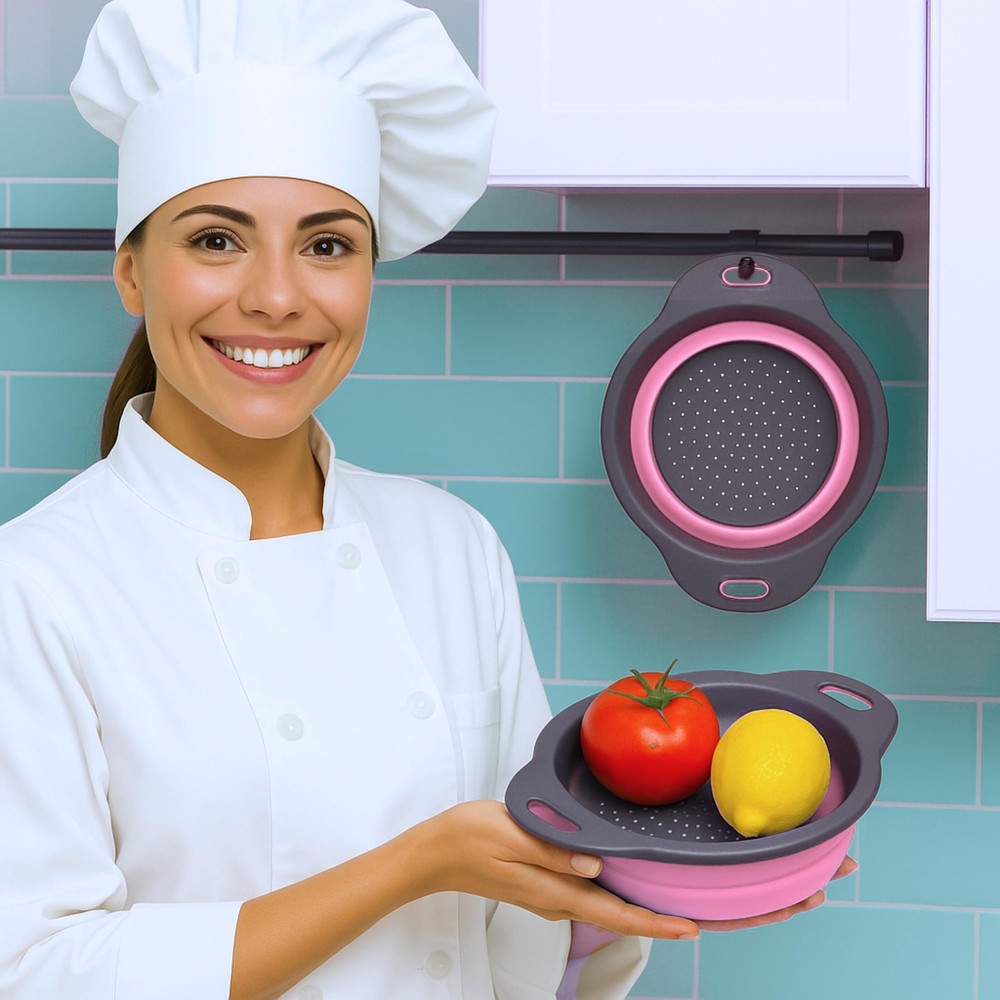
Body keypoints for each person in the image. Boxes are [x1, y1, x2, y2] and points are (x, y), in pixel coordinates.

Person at [0, 1, 850, 997]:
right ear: (132, 274)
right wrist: (412, 867)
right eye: (218, 240)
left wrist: (677, 879)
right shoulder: (38, 586)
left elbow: (519, 903)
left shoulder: (449, 545)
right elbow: (36, 966)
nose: (277, 297)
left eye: (326, 247)